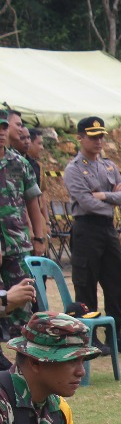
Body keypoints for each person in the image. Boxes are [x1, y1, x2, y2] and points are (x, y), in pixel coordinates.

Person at [62, 117, 121, 353]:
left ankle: (115, 334)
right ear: (80, 137)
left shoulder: (108, 166)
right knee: (86, 282)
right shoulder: (74, 169)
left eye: (101, 136)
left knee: (116, 279)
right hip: (86, 228)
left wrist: (104, 195)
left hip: (107, 228)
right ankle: (89, 335)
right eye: (93, 136)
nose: (98, 141)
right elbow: (86, 203)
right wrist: (111, 198)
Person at [0, 115, 43, 333]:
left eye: (3, 127)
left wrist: (39, 237)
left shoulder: (19, 163)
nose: (0, 132)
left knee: (22, 307)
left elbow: (33, 203)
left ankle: (23, 361)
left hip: (17, 242)